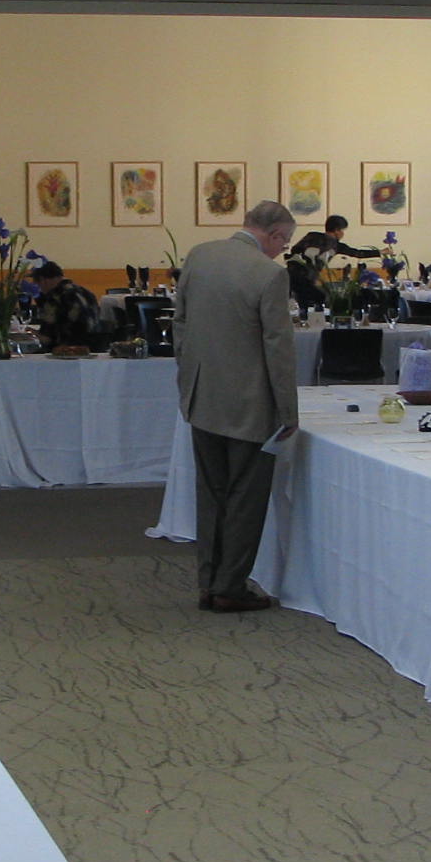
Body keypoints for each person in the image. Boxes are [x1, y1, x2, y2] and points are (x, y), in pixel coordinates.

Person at [175, 198, 299, 613]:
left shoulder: (200, 256)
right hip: (249, 404)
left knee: (211, 492)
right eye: (285, 242)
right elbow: (278, 349)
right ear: (276, 235)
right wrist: (288, 412)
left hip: (201, 395)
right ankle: (230, 587)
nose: (283, 250)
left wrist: (188, 380)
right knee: (246, 496)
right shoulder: (269, 274)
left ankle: (208, 581)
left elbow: (181, 324)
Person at [28, 259, 100, 349]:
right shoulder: (86, 292)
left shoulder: (55, 298)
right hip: (93, 349)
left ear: (43, 280)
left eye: (36, 283)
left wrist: (29, 333)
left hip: (66, 350)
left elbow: (47, 339)